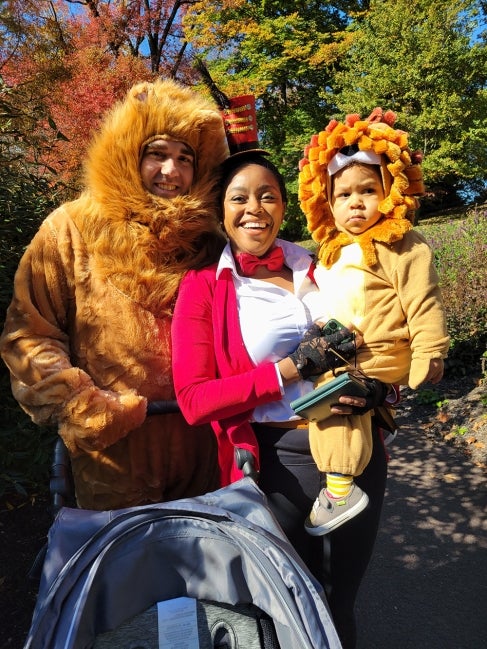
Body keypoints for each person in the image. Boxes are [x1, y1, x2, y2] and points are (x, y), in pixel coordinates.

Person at [171, 150, 389, 648]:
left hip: (358, 450)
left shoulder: (319, 264)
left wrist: (382, 388)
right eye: (239, 197)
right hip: (277, 464)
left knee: (339, 600)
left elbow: (382, 337)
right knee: (283, 602)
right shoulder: (205, 287)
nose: (255, 208)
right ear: (220, 210)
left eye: (268, 196)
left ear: (284, 206)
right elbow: (194, 399)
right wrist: (293, 367)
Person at [0, 78, 230, 511]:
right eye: (157, 154)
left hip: (203, 449)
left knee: (204, 571)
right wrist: (81, 406)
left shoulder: (211, 244)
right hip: (114, 460)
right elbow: (28, 336)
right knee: (122, 572)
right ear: (129, 154)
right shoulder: (71, 228)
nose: (172, 171)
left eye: (185, 158)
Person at [298, 108, 450, 535]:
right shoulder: (330, 248)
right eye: (343, 195)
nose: (356, 202)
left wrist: (430, 349)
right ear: (327, 201)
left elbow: (422, 299)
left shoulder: (400, 242)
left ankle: (341, 489)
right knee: (322, 395)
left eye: (368, 190)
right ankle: (376, 420)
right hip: (347, 348)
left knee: (334, 400)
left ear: (389, 191)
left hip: (383, 347)